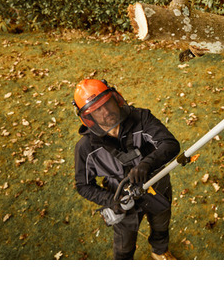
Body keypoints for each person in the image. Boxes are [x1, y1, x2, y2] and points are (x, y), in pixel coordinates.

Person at [73, 78, 180, 260]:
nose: (106, 111)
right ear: (88, 118)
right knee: (124, 244)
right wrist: (111, 200)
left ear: (116, 98)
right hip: (123, 202)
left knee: (161, 224)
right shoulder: (86, 148)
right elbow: (83, 185)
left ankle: (159, 251)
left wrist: (147, 164)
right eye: (97, 110)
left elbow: (170, 144)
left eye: (107, 103)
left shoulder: (142, 119)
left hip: (157, 187)